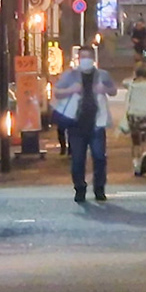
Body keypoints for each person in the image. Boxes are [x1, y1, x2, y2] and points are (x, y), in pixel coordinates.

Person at [52, 45, 120, 202]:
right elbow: (57, 92)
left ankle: (99, 188)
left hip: (97, 123)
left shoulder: (102, 75)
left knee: (99, 157)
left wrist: (104, 89)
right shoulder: (70, 75)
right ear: (78, 59)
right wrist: (71, 90)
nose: (85, 60)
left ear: (93, 59)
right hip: (76, 124)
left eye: (88, 57)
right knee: (77, 159)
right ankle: (79, 188)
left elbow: (113, 90)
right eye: (82, 57)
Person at [122, 62, 146, 176]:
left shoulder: (131, 84)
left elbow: (124, 82)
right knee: (145, 140)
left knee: (135, 142)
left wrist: (133, 76)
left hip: (133, 115)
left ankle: (136, 164)